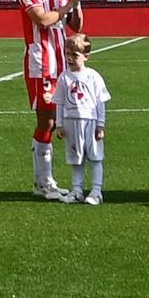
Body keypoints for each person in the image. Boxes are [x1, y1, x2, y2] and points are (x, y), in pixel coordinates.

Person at [20, 0, 86, 201]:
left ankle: (47, 180)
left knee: (63, 120)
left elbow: (77, 26)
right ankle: (43, 182)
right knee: (46, 120)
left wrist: (77, 2)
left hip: (63, 62)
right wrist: (69, 5)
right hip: (41, 62)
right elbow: (43, 19)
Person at [56, 49, 112, 206]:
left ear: (86, 57)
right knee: (76, 159)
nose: (70, 58)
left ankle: (96, 191)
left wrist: (100, 124)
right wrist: (59, 124)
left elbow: (101, 101)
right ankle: (77, 191)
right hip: (70, 123)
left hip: (90, 122)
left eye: (75, 55)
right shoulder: (64, 77)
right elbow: (59, 102)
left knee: (95, 157)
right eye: (68, 54)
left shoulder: (93, 76)